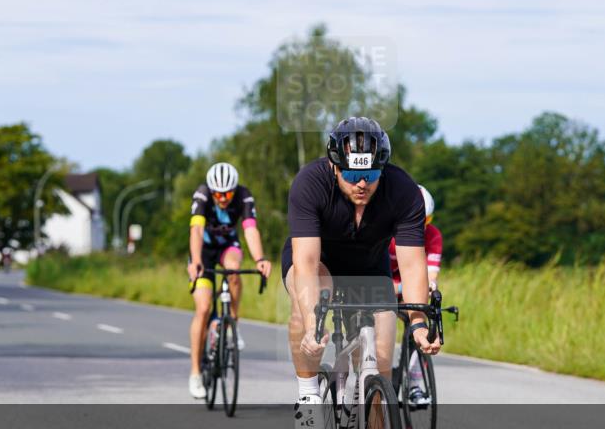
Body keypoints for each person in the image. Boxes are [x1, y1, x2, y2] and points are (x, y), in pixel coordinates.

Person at [282, 117, 441, 411]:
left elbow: (412, 264)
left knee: (380, 365)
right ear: (334, 167)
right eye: (353, 175)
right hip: (319, 262)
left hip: (369, 266)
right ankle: (307, 393)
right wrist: (310, 325)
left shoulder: (403, 191)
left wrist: (418, 322)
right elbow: (305, 261)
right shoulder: (310, 183)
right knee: (309, 304)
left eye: (370, 173)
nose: (362, 183)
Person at [187, 162, 271, 399]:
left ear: (234, 189)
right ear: (211, 190)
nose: (223, 198)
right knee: (203, 308)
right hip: (202, 251)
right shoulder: (203, 194)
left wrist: (260, 259)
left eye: (227, 193)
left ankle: (232, 322)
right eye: (218, 193)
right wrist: (195, 261)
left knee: (234, 269)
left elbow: (250, 230)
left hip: (227, 247)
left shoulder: (244, 196)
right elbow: (195, 230)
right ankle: (195, 373)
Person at [388, 184, 442, 407]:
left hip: (409, 281)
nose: (420, 228)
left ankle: (415, 384)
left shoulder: (434, 236)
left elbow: (430, 276)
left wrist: (428, 290)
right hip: (385, 279)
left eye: (426, 222)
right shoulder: (386, 233)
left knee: (423, 319)